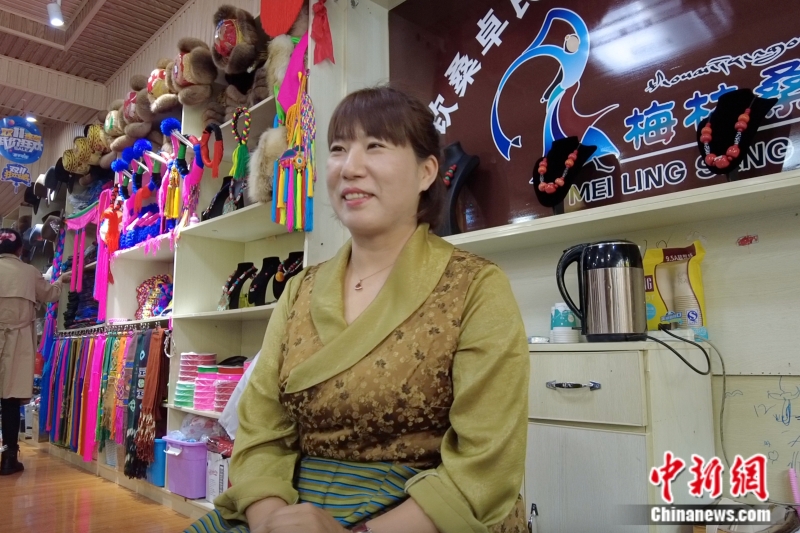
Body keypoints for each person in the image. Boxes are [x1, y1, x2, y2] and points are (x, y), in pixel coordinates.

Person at [189, 87, 530, 533]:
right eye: (338, 149)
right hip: (292, 508)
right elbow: (261, 428)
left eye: (375, 146)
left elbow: (486, 461)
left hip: (418, 518)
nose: (350, 167)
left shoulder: (476, 286)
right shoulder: (300, 291)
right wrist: (272, 518)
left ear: (427, 171)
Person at [0, 228, 69, 475]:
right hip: (16, 340)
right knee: (10, 399)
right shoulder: (29, 273)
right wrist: (60, 280)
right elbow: (50, 294)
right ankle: (8, 458)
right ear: (20, 249)